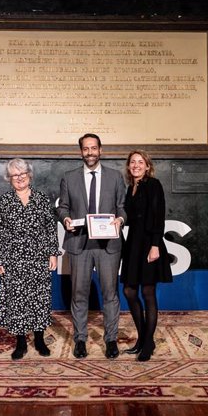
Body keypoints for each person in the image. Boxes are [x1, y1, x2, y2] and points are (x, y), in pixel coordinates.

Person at [57, 133, 126, 359]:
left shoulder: (115, 177)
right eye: (86, 149)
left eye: (93, 148)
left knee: (110, 294)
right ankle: (80, 339)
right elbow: (63, 207)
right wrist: (65, 219)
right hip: (79, 244)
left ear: (100, 150)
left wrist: (120, 220)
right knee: (79, 294)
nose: (90, 152)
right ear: (81, 152)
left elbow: (122, 207)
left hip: (108, 245)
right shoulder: (69, 177)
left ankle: (111, 340)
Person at [0, 158, 61, 360]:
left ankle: (39, 340)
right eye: (15, 175)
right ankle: (20, 342)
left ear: (29, 175)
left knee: (39, 298)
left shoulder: (41, 199)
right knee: (17, 301)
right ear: (9, 179)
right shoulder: (3, 202)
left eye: (22, 174)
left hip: (38, 258)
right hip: (13, 260)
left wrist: (52, 253)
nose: (19, 178)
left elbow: (50, 229)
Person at [120, 150, 172, 362]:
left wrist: (154, 245)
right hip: (133, 244)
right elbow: (128, 217)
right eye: (133, 162)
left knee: (148, 292)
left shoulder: (154, 185)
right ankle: (142, 338)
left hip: (150, 242)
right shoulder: (130, 188)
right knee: (129, 291)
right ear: (128, 167)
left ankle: (148, 343)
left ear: (147, 166)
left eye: (140, 162)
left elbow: (158, 216)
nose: (136, 165)